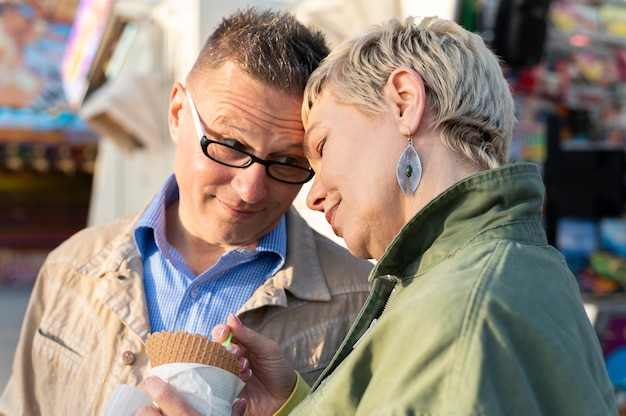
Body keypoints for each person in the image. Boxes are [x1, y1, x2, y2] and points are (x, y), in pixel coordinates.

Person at [139, 14, 619, 415]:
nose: (314, 194)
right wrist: (292, 403)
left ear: (405, 103)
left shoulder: (461, 309)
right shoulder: (484, 276)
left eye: (322, 147)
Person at [0, 8, 373, 416]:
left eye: (286, 162)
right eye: (230, 145)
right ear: (178, 113)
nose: (250, 188)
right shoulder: (72, 267)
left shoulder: (358, 306)